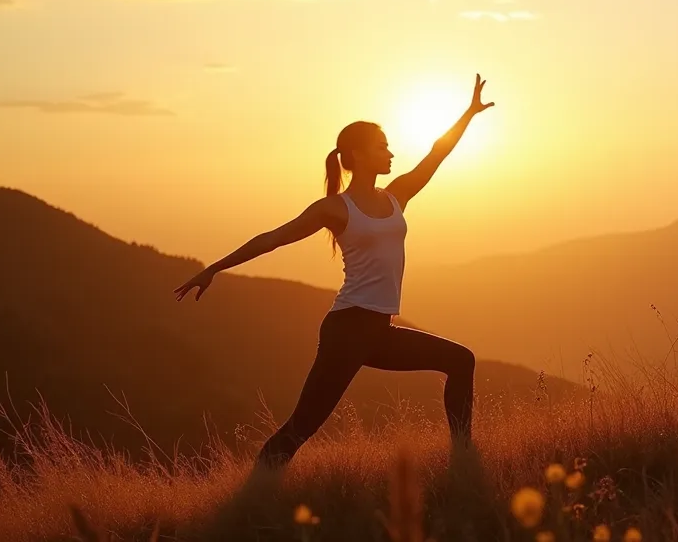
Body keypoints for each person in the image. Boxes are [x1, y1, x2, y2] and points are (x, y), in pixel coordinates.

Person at [173, 74, 494, 469]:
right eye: (382, 146)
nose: (391, 152)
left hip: (379, 331)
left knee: (461, 360)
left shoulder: (397, 196)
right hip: (347, 330)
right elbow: (273, 238)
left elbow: (436, 153)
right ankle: (259, 484)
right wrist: (214, 269)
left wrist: (468, 114)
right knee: (302, 426)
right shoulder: (335, 208)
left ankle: (463, 458)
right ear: (357, 155)